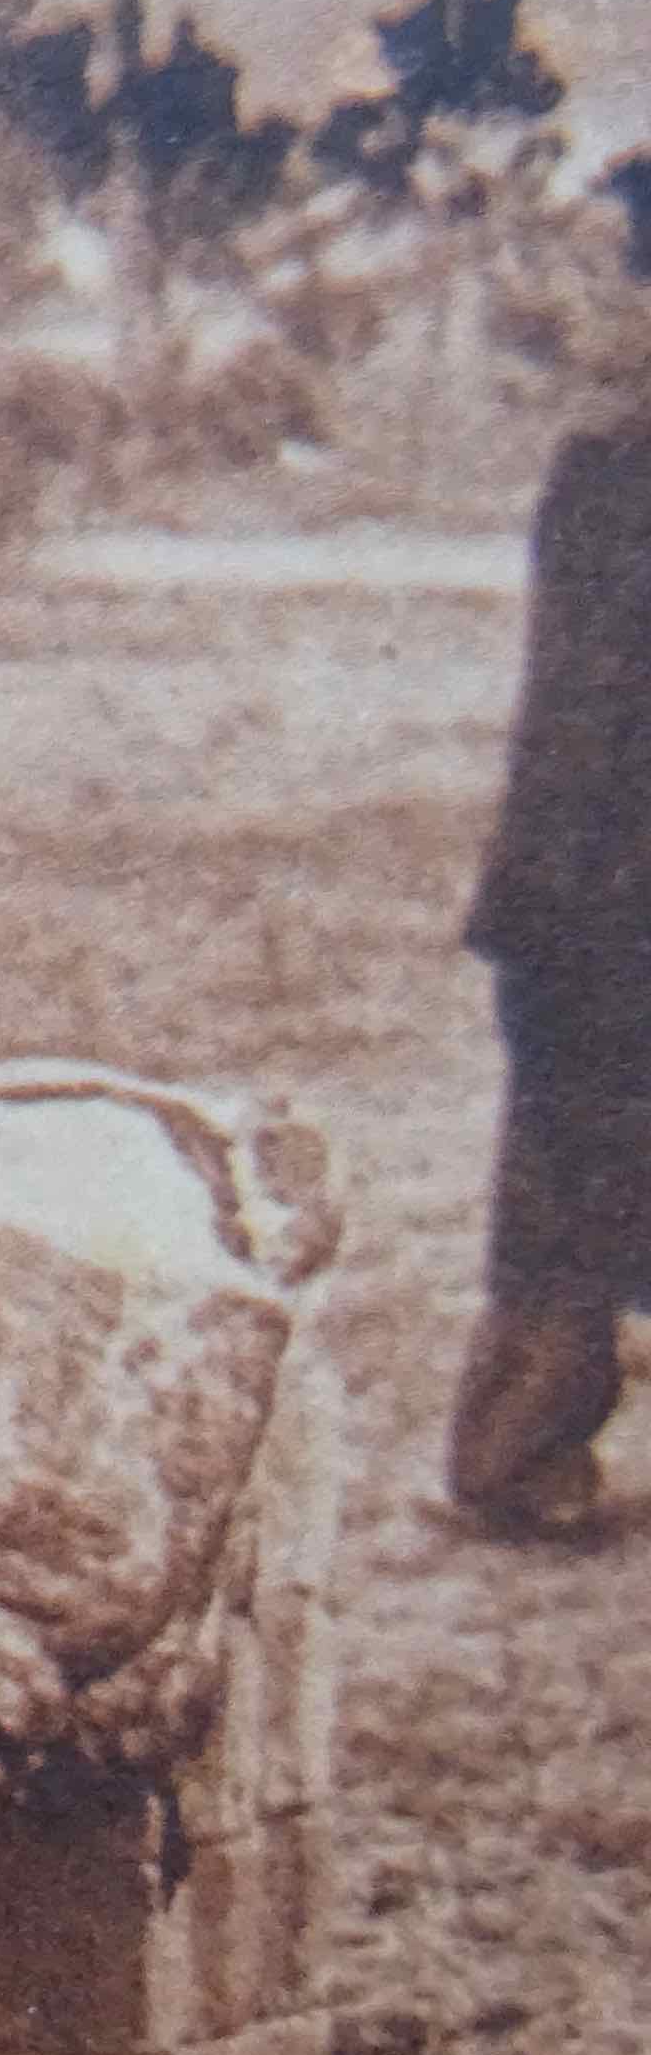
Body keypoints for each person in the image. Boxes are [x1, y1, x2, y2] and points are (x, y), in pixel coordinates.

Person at [445, 247, 651, 1533]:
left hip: (588, 884)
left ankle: (522, 1454)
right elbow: (590, 710)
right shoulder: (613, 477)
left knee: (571, 1180)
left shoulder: (605, 468)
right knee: (571, 1186)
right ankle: (516, 1459)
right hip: (602, 893)